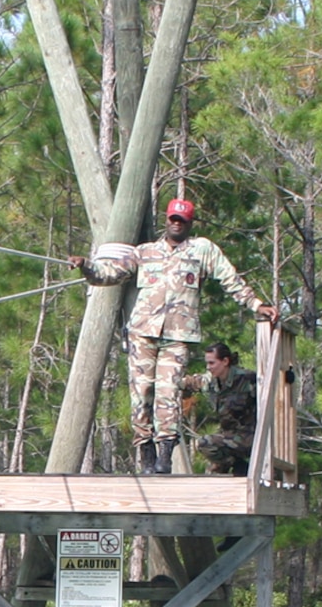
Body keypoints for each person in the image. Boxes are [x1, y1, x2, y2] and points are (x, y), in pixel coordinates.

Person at [70, 200, 276, 475]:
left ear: (189, 224)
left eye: (182, 220)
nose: (176, 223)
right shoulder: (145, 252)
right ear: (166, 220)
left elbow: (230, 279)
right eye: (173, 219)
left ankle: (164, 455)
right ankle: (146, 451)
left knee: (168, 393)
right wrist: (86, 266)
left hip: (177, 335)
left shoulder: (202, 250)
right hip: (143, 333)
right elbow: (110, 274)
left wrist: (256, 304)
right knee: (141, 393)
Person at [180, 342, 258, 476]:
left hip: (249, 437)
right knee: (212, 473)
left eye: (212, 363)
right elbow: (188, 382)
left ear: (225, 361)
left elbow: (272, 389)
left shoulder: (247, 379)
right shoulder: (210, 381)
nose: (208, 367)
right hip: (227, 438)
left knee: (205, 442)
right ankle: (237, 464)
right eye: (207, 363)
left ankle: (239, 464)